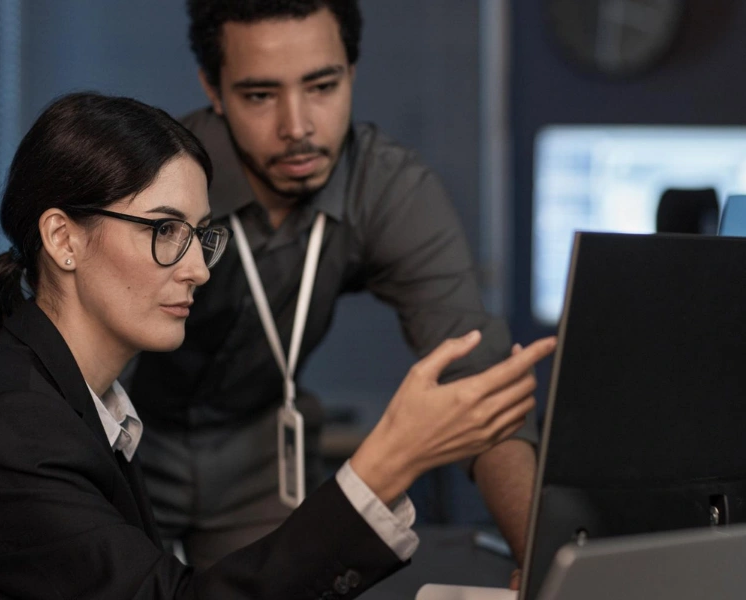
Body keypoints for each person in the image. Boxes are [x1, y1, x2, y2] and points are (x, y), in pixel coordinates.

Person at [0, 92, 555, 599]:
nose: (197, 266)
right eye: (165, 230)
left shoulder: (73, 404)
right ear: (63, 238)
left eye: (202, 235)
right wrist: (387, 462)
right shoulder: (14, 429)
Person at [127, 0, 540, 580]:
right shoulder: (152, 179)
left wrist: (544, 566)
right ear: (213, 89)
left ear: (351, 70)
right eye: (260, 96)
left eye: (322, 85)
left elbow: (480, 380)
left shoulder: (387, 187)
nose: (297, 126)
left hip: (261, 451)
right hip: (128, 442)